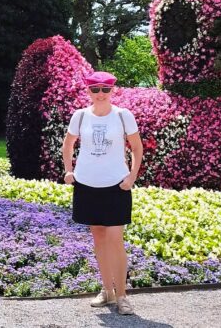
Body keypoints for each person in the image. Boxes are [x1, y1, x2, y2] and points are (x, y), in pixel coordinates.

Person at [61, 71, 143, 315]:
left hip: (116, 185)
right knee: (98, 238)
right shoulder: (80, 116)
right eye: (94, 89)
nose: (100, 94)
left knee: (116, 240)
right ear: (88, 91)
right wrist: (69, 170)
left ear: (112, 91)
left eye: (105, 89)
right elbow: (68, 144)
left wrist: (132, 176)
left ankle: (122, 296)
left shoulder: (122, 116)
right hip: (86, 184)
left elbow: (137, 148)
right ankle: (107, 291)